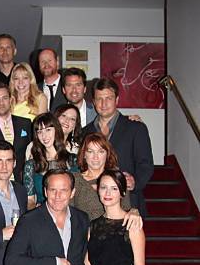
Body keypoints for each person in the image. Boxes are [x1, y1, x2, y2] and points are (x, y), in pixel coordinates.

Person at [83, 77, 154, 217]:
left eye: (108, 98)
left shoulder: (136, 128)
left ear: (116, 100)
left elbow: (146, 164)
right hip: (93, 205)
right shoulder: (85, 132)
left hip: (129, 205)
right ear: (93, 101)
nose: (104, 103)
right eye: (99, 98)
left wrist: (135, 182)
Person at [74, 133, 134, 221]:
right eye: (90, 151)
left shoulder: (117, 178)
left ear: (107, 154)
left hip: (114, 230)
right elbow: (68, 213)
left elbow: (127, 209)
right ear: (84, 155)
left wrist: (134, 211)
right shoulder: (74, 180)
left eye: (101, 151)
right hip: (83, 232)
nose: (95, 157)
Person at [23, 112, 70, 209]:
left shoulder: (72, 160)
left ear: (56, 130)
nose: (44, 136)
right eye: (40, 132)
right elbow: (30, 200)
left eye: (48, 130)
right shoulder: (31, 165)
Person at [54, 103, 82, 168]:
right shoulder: (39, 144)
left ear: (75, 126)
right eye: (64, 115)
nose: (67, 121)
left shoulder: (76, 150)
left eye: (72, 119)